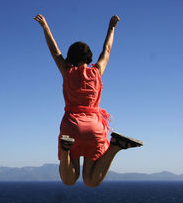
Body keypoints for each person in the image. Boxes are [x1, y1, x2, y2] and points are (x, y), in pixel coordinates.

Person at [34, 14, 143, 187]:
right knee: (91, 181)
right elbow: (107, 49)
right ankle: (115, 146)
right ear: (89, 57)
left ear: (70, 57)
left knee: (69, 180)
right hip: (94, 127)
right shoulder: (97, 72)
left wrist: (45, 26)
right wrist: (112, 27)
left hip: (71, 126)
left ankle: (65, 151)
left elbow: (55, 51)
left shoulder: (67, 71)